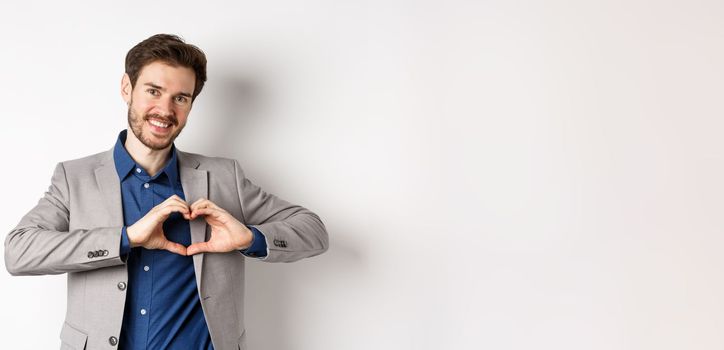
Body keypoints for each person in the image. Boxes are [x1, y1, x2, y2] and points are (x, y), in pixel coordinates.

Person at [4, 33, 329, 350]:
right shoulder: (74, 178)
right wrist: (126, 238)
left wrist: (249, 238)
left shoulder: (223, 177)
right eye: (154, 91)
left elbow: (313, 231)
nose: (165, 109)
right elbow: (18, 253)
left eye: (180, 98)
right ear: (126, 88)